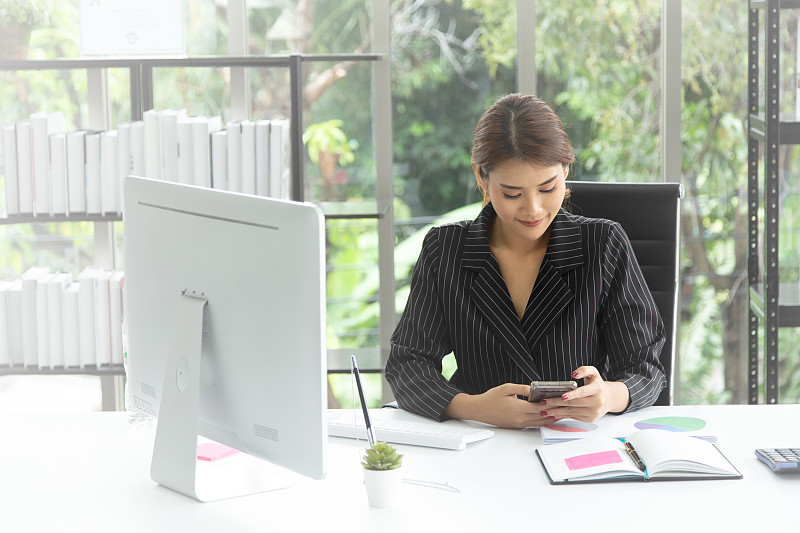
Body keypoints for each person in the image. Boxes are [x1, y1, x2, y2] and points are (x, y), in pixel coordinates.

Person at [385, 93, 666, 429]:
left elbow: (644, 368)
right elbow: (407, 363)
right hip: (480, 442)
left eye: (548, 188)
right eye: (512, 194)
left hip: (578, 444)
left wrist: (609, 395)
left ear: (566, 169)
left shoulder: (603, 244)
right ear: (481, 177)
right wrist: (472, 408)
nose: (532, 209)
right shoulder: (445, 249)